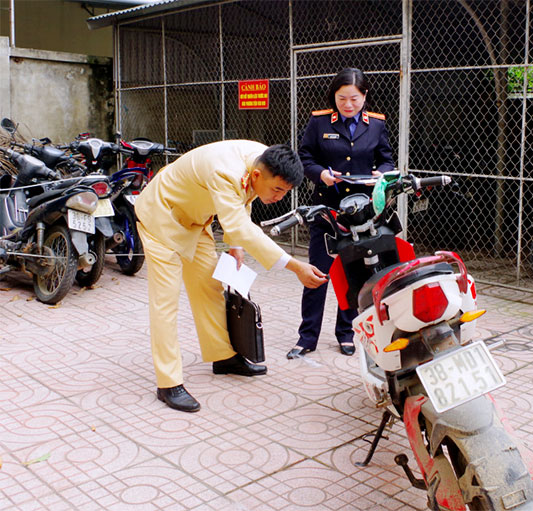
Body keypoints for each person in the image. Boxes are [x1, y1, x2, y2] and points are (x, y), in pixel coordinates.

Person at [135, 141, 327, 412]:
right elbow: (239, 222)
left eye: (285, 192)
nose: (279, 197)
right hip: (161, 216)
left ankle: (223, 357)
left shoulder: (262, 159)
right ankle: (168, 383)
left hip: (195, 221)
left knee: (210, 288)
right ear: (260, 175)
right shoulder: (225, 171)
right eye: (277, 190)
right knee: (165, 302)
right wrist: (295, 266)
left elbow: (241, 203)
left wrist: (235, 246)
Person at [287, 68, 395, 359]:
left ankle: (346, 334)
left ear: (365, 96)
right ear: (334, 96)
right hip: (326, 209)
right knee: (318, 273)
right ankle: (307, 337)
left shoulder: (376, 124)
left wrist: (382, 173)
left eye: (355, 99)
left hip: (361, 212)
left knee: (353, 276)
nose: (348, 105)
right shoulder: (319, 121)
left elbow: (386, 159)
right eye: (342, 98)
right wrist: (320, 173)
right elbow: (305, 156)